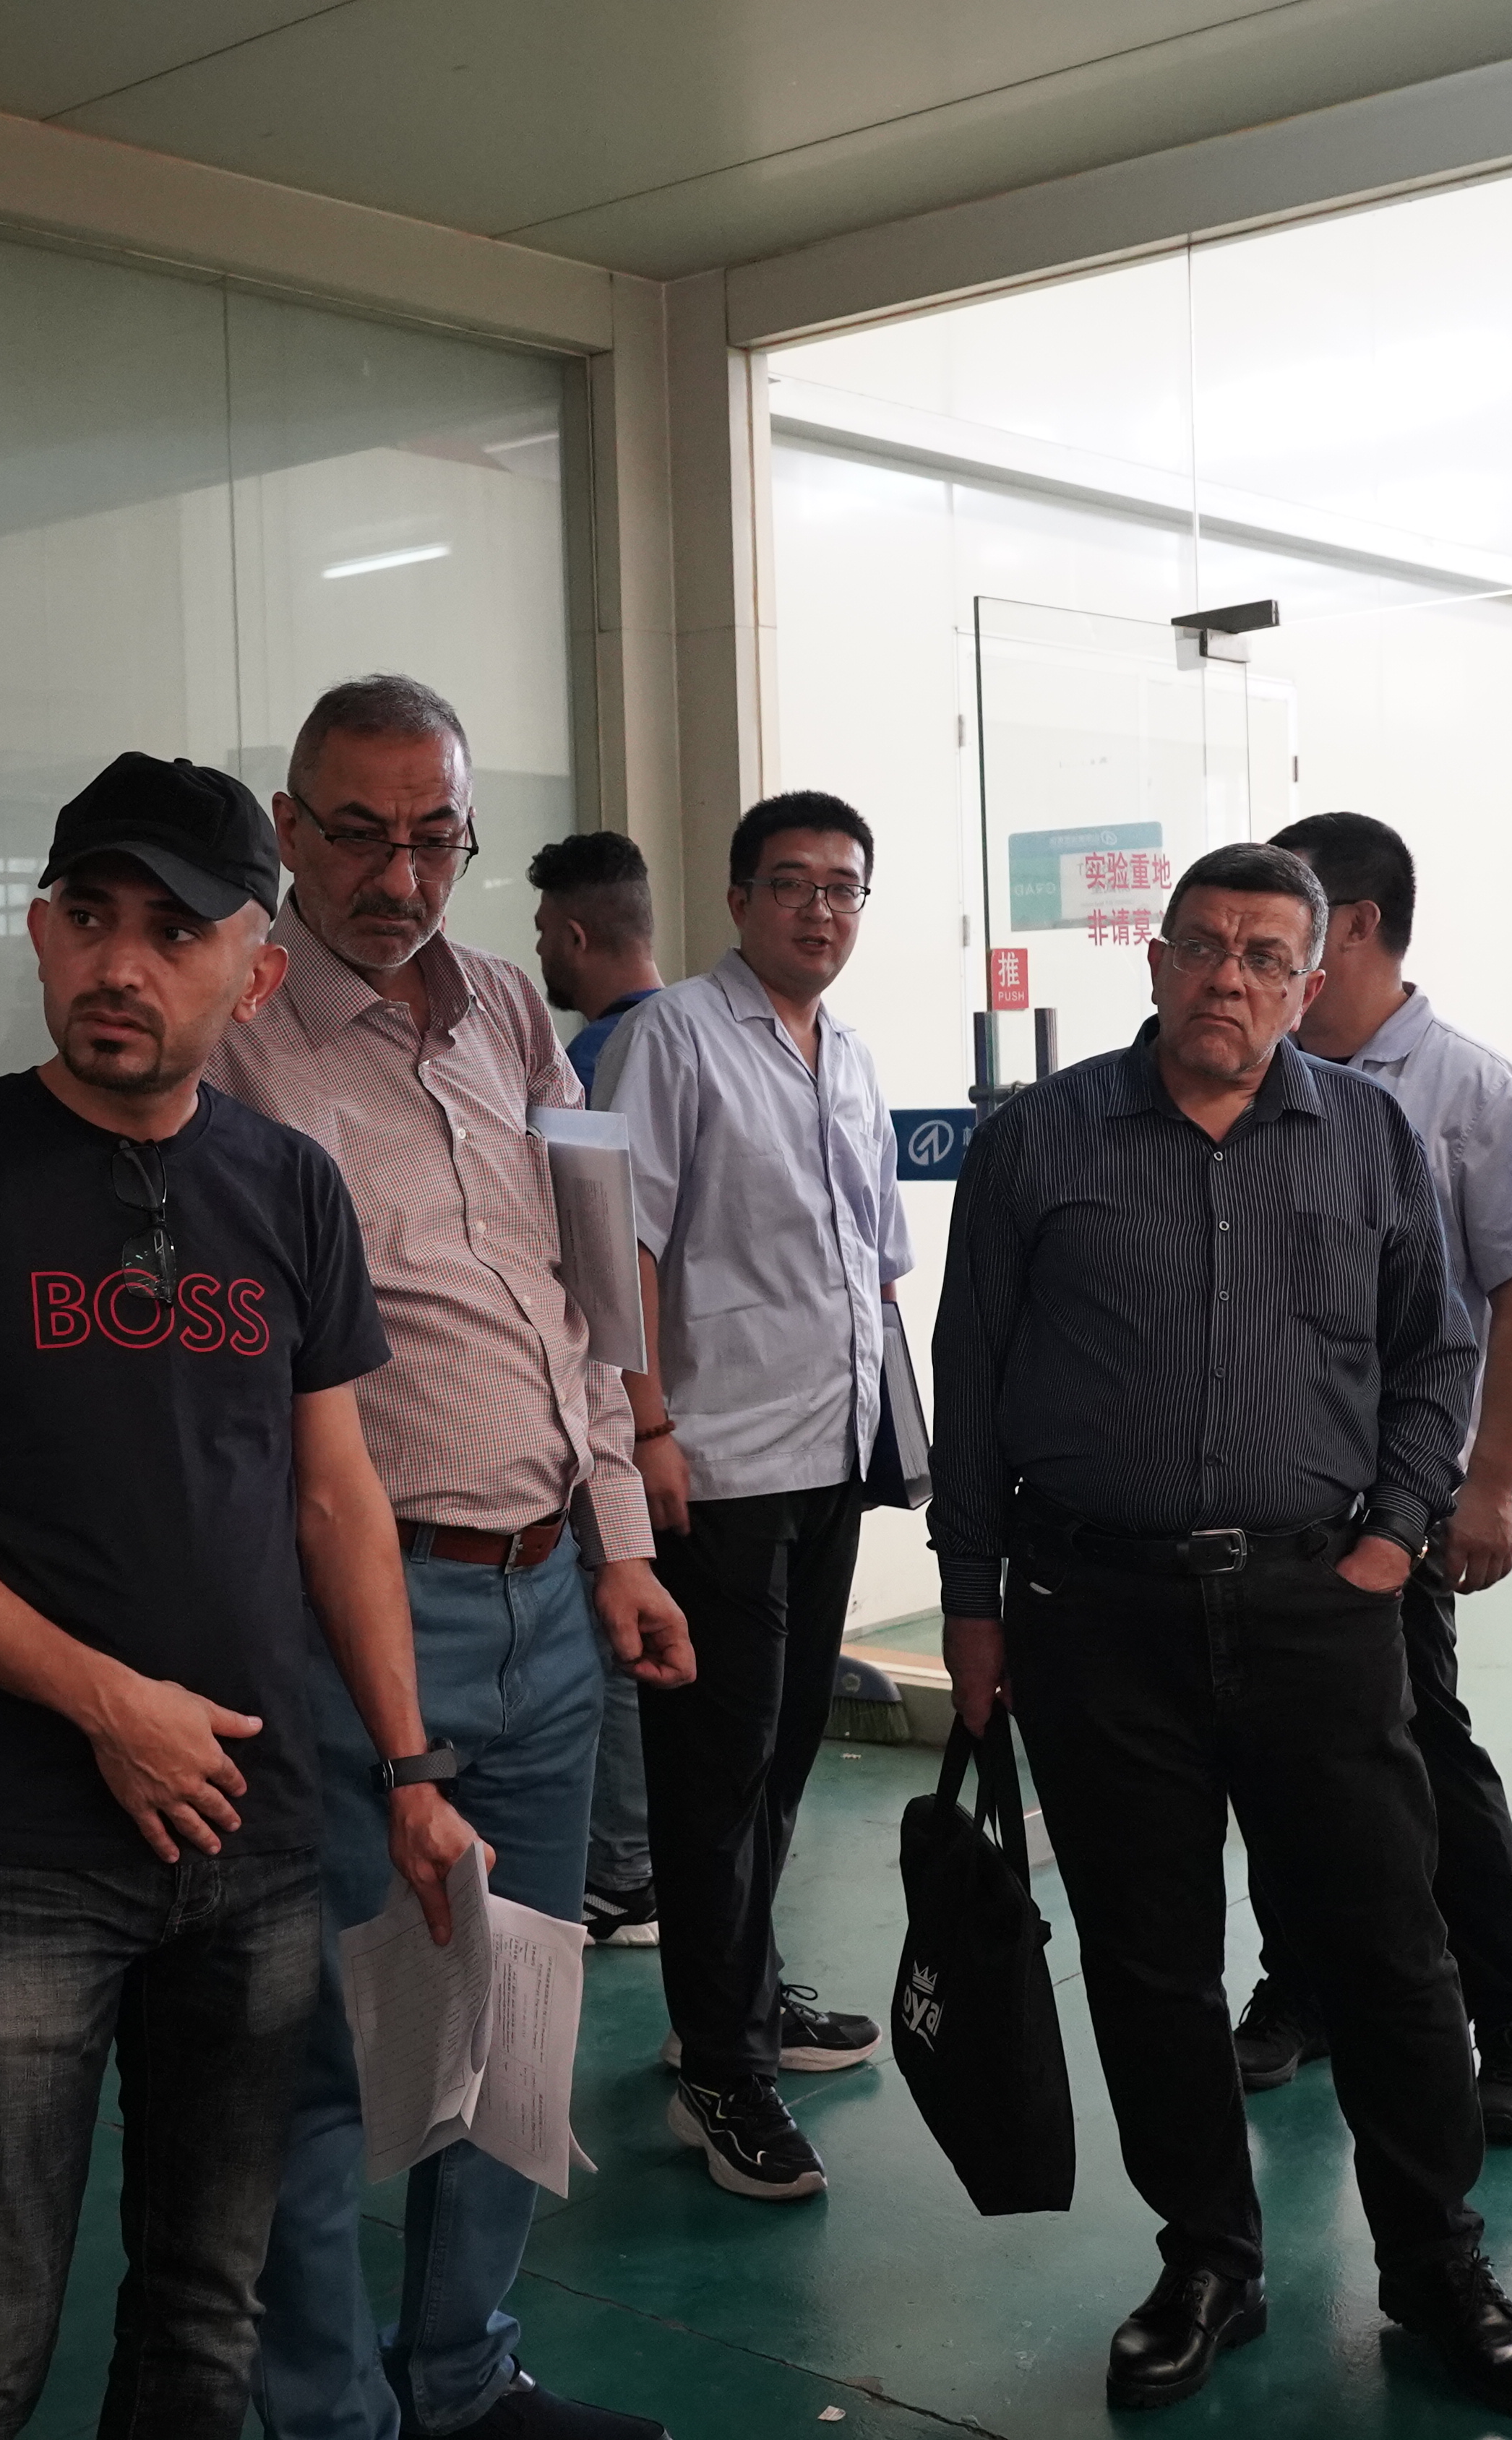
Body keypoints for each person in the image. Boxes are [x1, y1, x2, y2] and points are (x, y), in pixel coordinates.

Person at [0, 753, 478, 2440]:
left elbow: (336, 1498)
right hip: (25, 1843)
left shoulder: (289, 1185)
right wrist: (108, 1704)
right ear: (41, 933)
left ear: (253, 973)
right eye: (92, 918)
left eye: (176, 933)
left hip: (255, 1829)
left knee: (204, 2315)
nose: (123, 963)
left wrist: (407, 1767)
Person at [930, 841, 1512, 2420]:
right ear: (1155, 961)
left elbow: (1436, 1351)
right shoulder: (1038, 1140)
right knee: (1150, 1956)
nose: (1231, 977)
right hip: (1095, 1612)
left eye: (1267, 956)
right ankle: (1210, 2254)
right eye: (1204, 946)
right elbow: (973, 1378)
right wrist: (972, 1601)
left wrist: (1394, 1535)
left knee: (1388, 1948)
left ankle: (1437, 2260)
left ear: (1310, 979)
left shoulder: (1371, 1135)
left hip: (1315, 1606)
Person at [213, 675, 693, 2440]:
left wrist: (621, 1540)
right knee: (340, 2040)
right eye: (358, 833)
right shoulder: (239, 1029)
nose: (399, 876)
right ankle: (326, 2409)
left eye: (436, 838)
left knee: (516, 2018)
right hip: (359, 1605)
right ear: (288, 826)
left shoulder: (504, 1005)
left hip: (547, 1589)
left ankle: (462, 2373)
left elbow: (585, 1291)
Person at [1232, 811, 1512, 2144]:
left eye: (1289, 922)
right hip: (1270, 1495)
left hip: (1398, 1497)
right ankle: (1301, 1988)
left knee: (1425, 1756)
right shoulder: (1255, 1072)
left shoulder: (1465, 1089)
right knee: (1276, 1756)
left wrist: (1487, 1486)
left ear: (1358, 925)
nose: (1255, 957)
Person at [593, 791, 905, 2204]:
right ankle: (721, 2068)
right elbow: (623, 1243)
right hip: (714, 1465)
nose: (820, 909)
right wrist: (647, 1424)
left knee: (781, 1754)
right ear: (737, 900)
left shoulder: (850, 1056)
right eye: (792, 883)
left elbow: (871, 1269)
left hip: (828, 1455)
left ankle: (740, 1997)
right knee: (715, 1773)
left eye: (843, 887)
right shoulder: (674, 1038)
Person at [523, 828, 666, 1948]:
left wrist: (641, 1425)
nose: (539, 958)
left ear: (576, 934)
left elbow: (606, 1268)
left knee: (614, 1635)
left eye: (543, 935)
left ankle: (621, 1869)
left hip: (628, 1410)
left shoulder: (595, 1066)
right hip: (709, 1419)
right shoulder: (715, 1042)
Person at [528, 829, 662, 1100]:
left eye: (543, 931)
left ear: (576, 939)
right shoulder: (705, 1034)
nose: (539, 948)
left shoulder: (592, 1061)